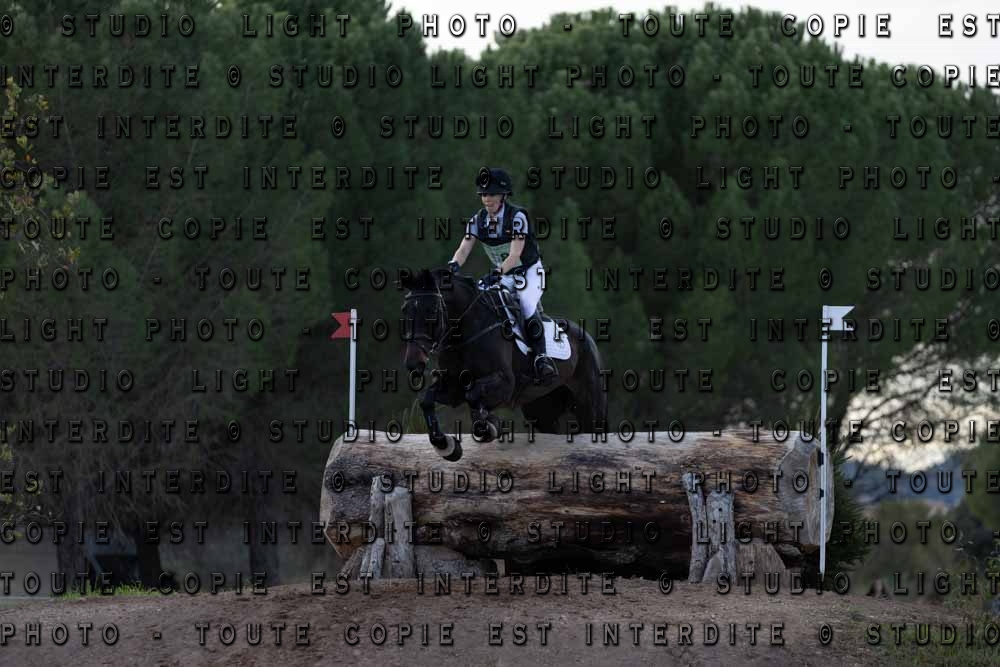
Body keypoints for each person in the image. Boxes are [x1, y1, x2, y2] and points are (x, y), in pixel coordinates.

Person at [448, 167, 557, 382]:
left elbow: (515, 256)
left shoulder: (517, 217)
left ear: (503, 195)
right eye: (483, 194)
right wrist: (452, 266)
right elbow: (463, 249)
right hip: (503, 274)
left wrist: (496, 273)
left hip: (530, 272)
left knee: (526, 303)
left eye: (492, 194)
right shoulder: (477, 221)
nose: (487, 199)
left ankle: (542, 358)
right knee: (479, 302)